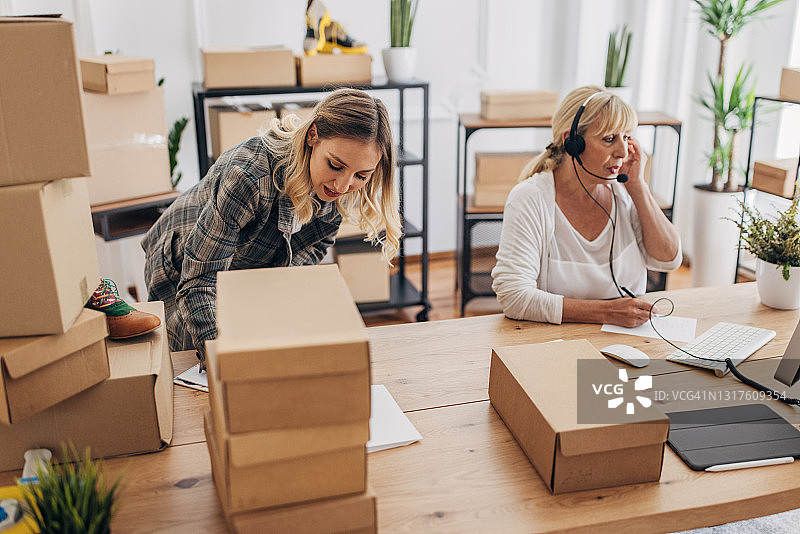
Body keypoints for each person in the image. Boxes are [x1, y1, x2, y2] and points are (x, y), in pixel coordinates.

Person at [142, 88, 401, 366]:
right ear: (313, 135)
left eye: (361, 175)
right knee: (191, 364)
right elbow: (199, 279)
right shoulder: (249, 177)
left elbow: (311, 253)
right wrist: (218, 357)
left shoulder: (342, 189)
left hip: (247, 264)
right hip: (183, 262)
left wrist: (273, 302)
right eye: (335, 165)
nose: (343, 185)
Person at [491, 86, 681, 328]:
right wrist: (608, 312)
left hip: (627, 345)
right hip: (555, 346)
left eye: (627, 137)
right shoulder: (530, 198)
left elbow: (668, 260)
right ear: (572, 142)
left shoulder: (624, 191)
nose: (623, 152)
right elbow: (514, 296)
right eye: (610, 139)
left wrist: (638, 187)